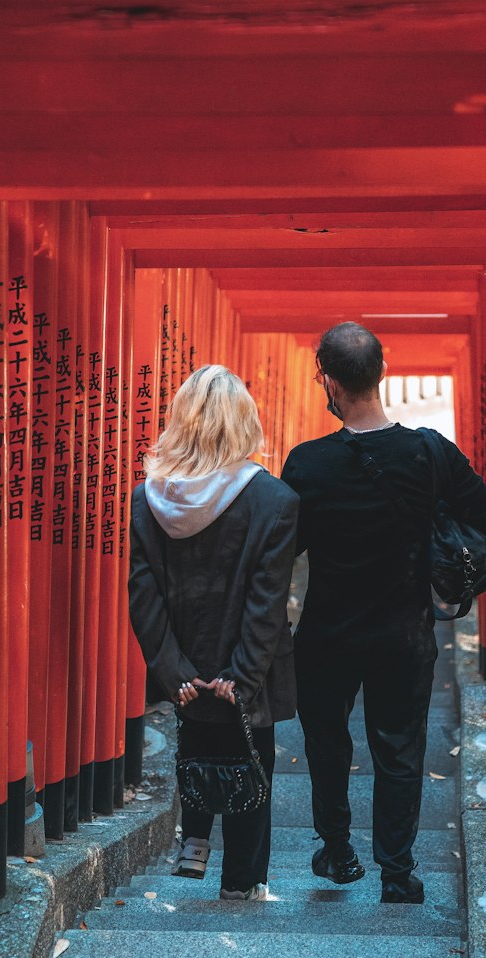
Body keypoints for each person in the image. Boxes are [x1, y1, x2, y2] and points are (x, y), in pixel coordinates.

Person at [281, 322, 486, 904]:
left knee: (327, 743)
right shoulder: (429, 452)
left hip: (328, 632)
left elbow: (289, 548)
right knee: (400, 750)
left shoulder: (306, 463)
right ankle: (397, 873)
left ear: (325, 379)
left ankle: (337, 851)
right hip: (404, 630)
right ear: (384, 370)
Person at [129, 364, 299, 900]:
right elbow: (266, 602)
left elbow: (144, 595)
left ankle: (195, 846)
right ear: (244, 422)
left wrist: (174, 670)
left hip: (183, 662)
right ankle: (241, 882)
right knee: (251, 764)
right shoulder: (273, 501)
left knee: (195, 744)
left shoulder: (147, 499)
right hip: (244, 671)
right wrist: (241, 677)